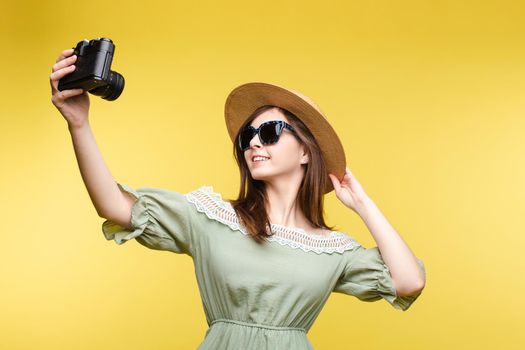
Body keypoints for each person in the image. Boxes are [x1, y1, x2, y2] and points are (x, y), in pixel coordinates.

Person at [50, 48, 426, 349]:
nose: (255, 142)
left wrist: (363, 205)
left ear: (306, 152)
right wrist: (79, 124)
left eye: (271, 131)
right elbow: (114, 206)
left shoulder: (332, 250)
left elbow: (408, 281)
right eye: (248, 137)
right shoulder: (212, 217)